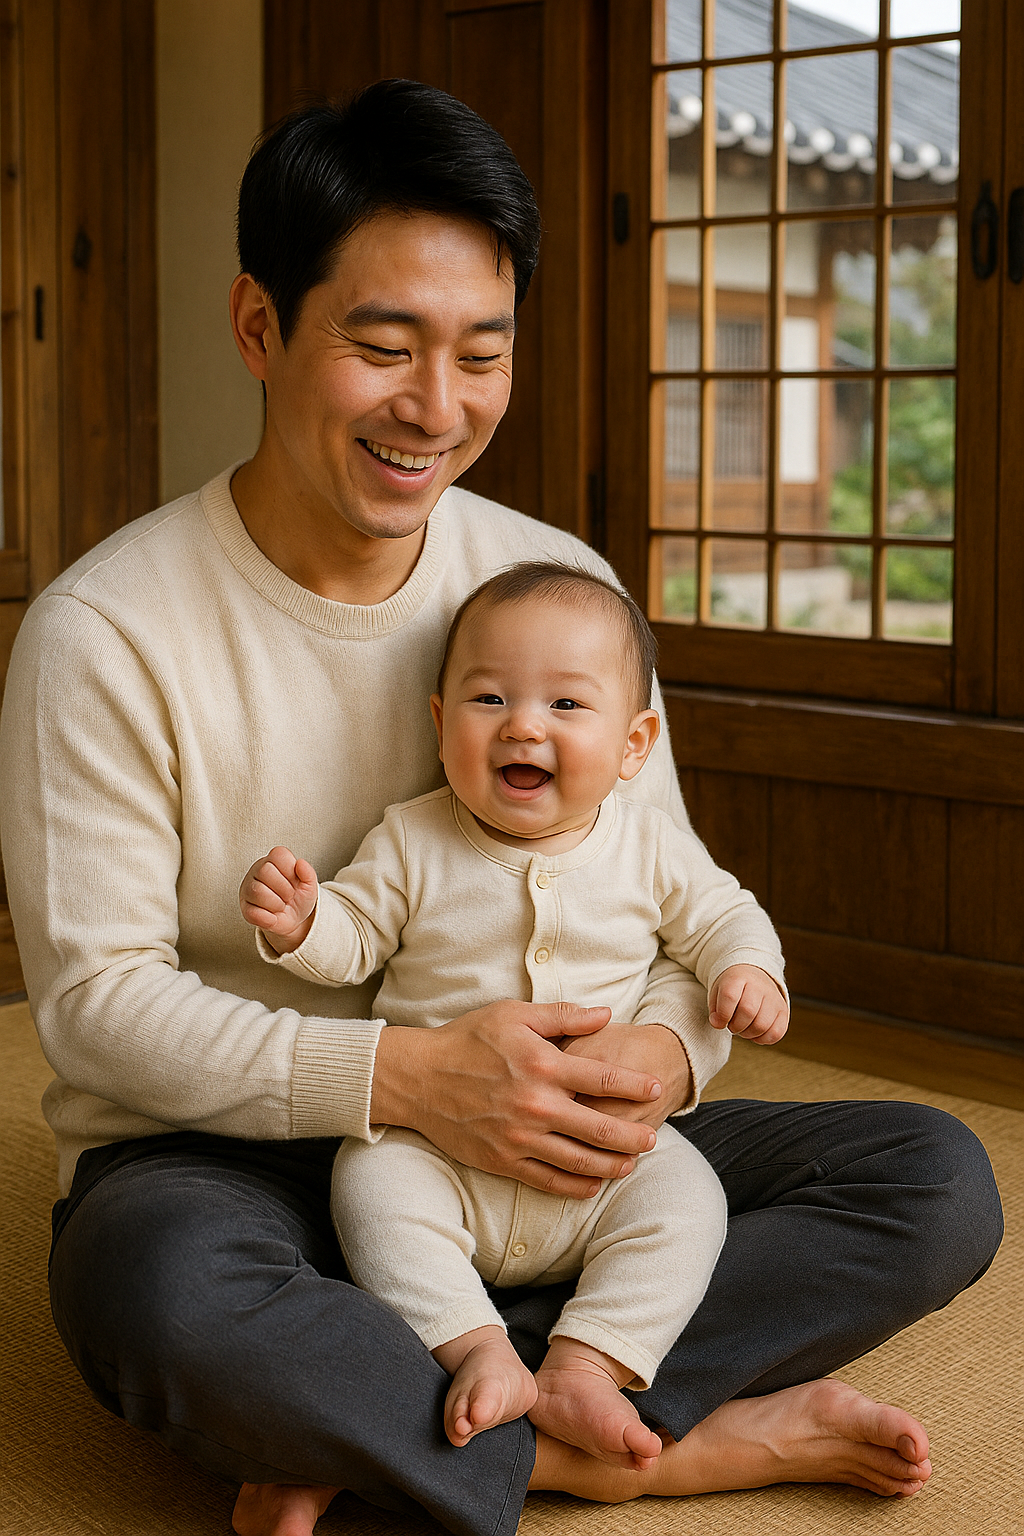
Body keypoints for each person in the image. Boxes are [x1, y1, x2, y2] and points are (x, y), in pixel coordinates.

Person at [0, 78, 1001, 1536]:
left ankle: (402, 1415)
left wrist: (666, 1052)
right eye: (384, 347)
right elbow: (96, 1011)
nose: (438, 407)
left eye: (482, 352)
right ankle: (668, 1441)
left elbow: (673, 893)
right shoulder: (107, 631)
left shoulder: (550, 587)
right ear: (262, 328)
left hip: (552, 1146)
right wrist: (405, 1081)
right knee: (152, 1290)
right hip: (232, 1154)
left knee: (935, 1180)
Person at [239, 561, 789, 1470]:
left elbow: (723, 916)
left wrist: (746, 970)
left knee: (688, 1198)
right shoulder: (412, 838)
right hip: (439, 1150)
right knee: (369, 1186)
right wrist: (306, 924)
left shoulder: (650, 846)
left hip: (602, 1161)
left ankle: (586, 1362)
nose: (523, 724)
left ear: (634, 743)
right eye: (488, 698)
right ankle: (475, 1346)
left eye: (567, 706)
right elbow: (357, 937)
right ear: (438, 721)